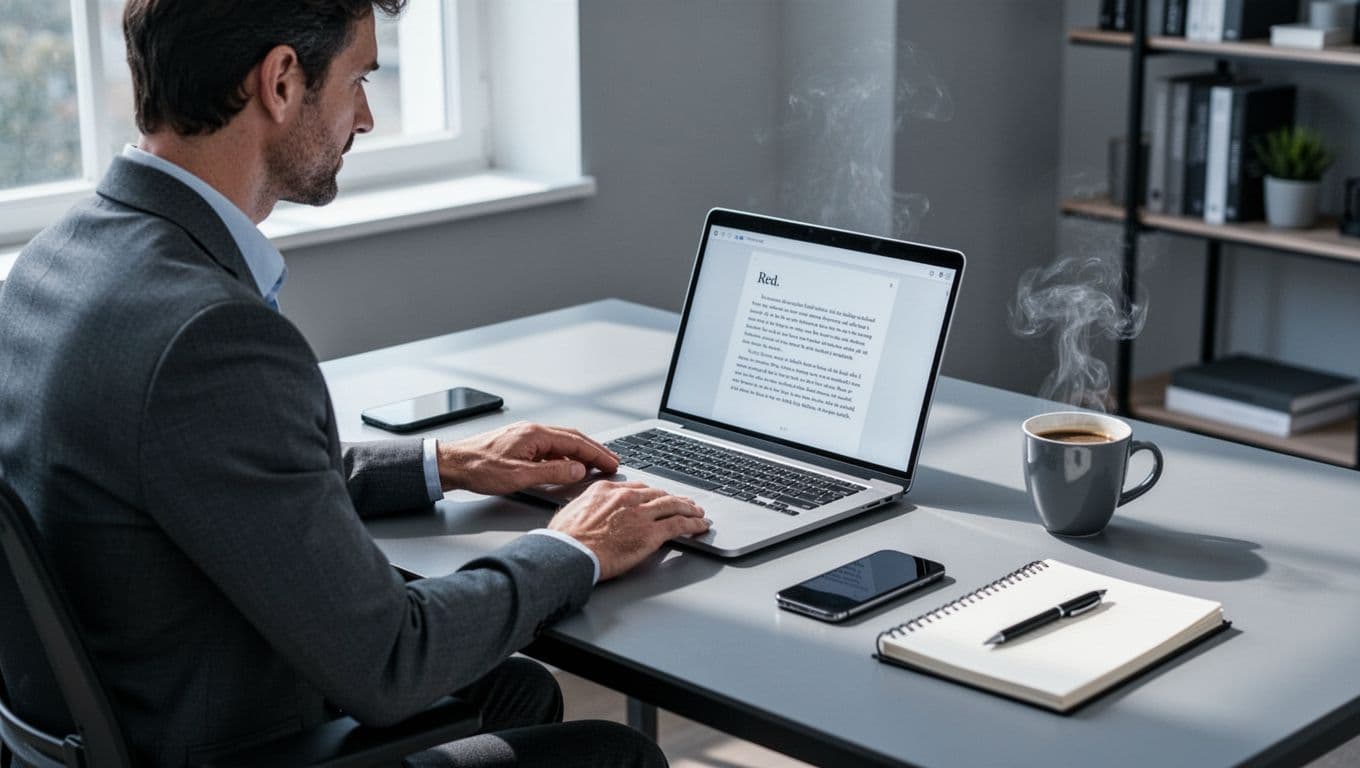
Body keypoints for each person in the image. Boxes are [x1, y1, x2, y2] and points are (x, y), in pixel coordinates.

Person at [0, 1, 709, 766]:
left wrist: (446, 465)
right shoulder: (209, 336)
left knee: (513, 694)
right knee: (611, 755)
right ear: (279, 82)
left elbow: (218, 476)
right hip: (228, 738)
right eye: (358, 78)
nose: (366, 116)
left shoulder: (54, 263)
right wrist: (574, 549)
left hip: (126, 716)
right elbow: (391, 663)